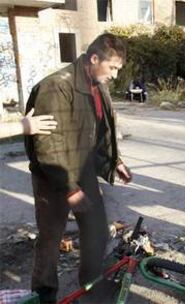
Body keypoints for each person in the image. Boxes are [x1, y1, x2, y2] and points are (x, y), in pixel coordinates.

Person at [25, 33, 132, 303]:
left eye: (118, 68)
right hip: (53, 176)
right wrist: (69, 188)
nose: (116, 75)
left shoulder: (98, 84)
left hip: (82, 172)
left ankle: (91, 283)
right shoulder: (56, 87)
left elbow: (97, 132)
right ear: (94, 59)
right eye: (113, 67)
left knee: (96, 228)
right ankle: (44, 294)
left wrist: (114, 160)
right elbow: (48, 145)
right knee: (51, 238)